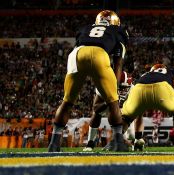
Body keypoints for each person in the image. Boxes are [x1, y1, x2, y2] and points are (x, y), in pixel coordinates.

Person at [48, 10, 130, 152]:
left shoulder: (87, 28)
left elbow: (79, 45)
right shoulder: (118, 31)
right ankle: (119, 143)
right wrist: (114, 88)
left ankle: (54, 143)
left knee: (67, 101)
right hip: (99, 54)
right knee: (113, 102)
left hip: (76, 54)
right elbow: (118, 62)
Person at [121, 64, 174, 151]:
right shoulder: (169, 73)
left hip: (138, 89)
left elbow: (138, 116)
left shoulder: (145, 75)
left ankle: (119, 140)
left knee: (127, 117)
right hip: (162, 87)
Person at [82, 71, 134, 151]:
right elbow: (96, 108)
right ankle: (90, 143)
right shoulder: (104, 86)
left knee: (131, 135)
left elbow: (131, 114)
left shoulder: (133, 90)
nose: (122, 90)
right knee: (96, 114)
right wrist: (108, 101)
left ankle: (130, 142)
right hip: (108, 105)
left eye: (125, 88)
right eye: (120, 87)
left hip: (123, 110)